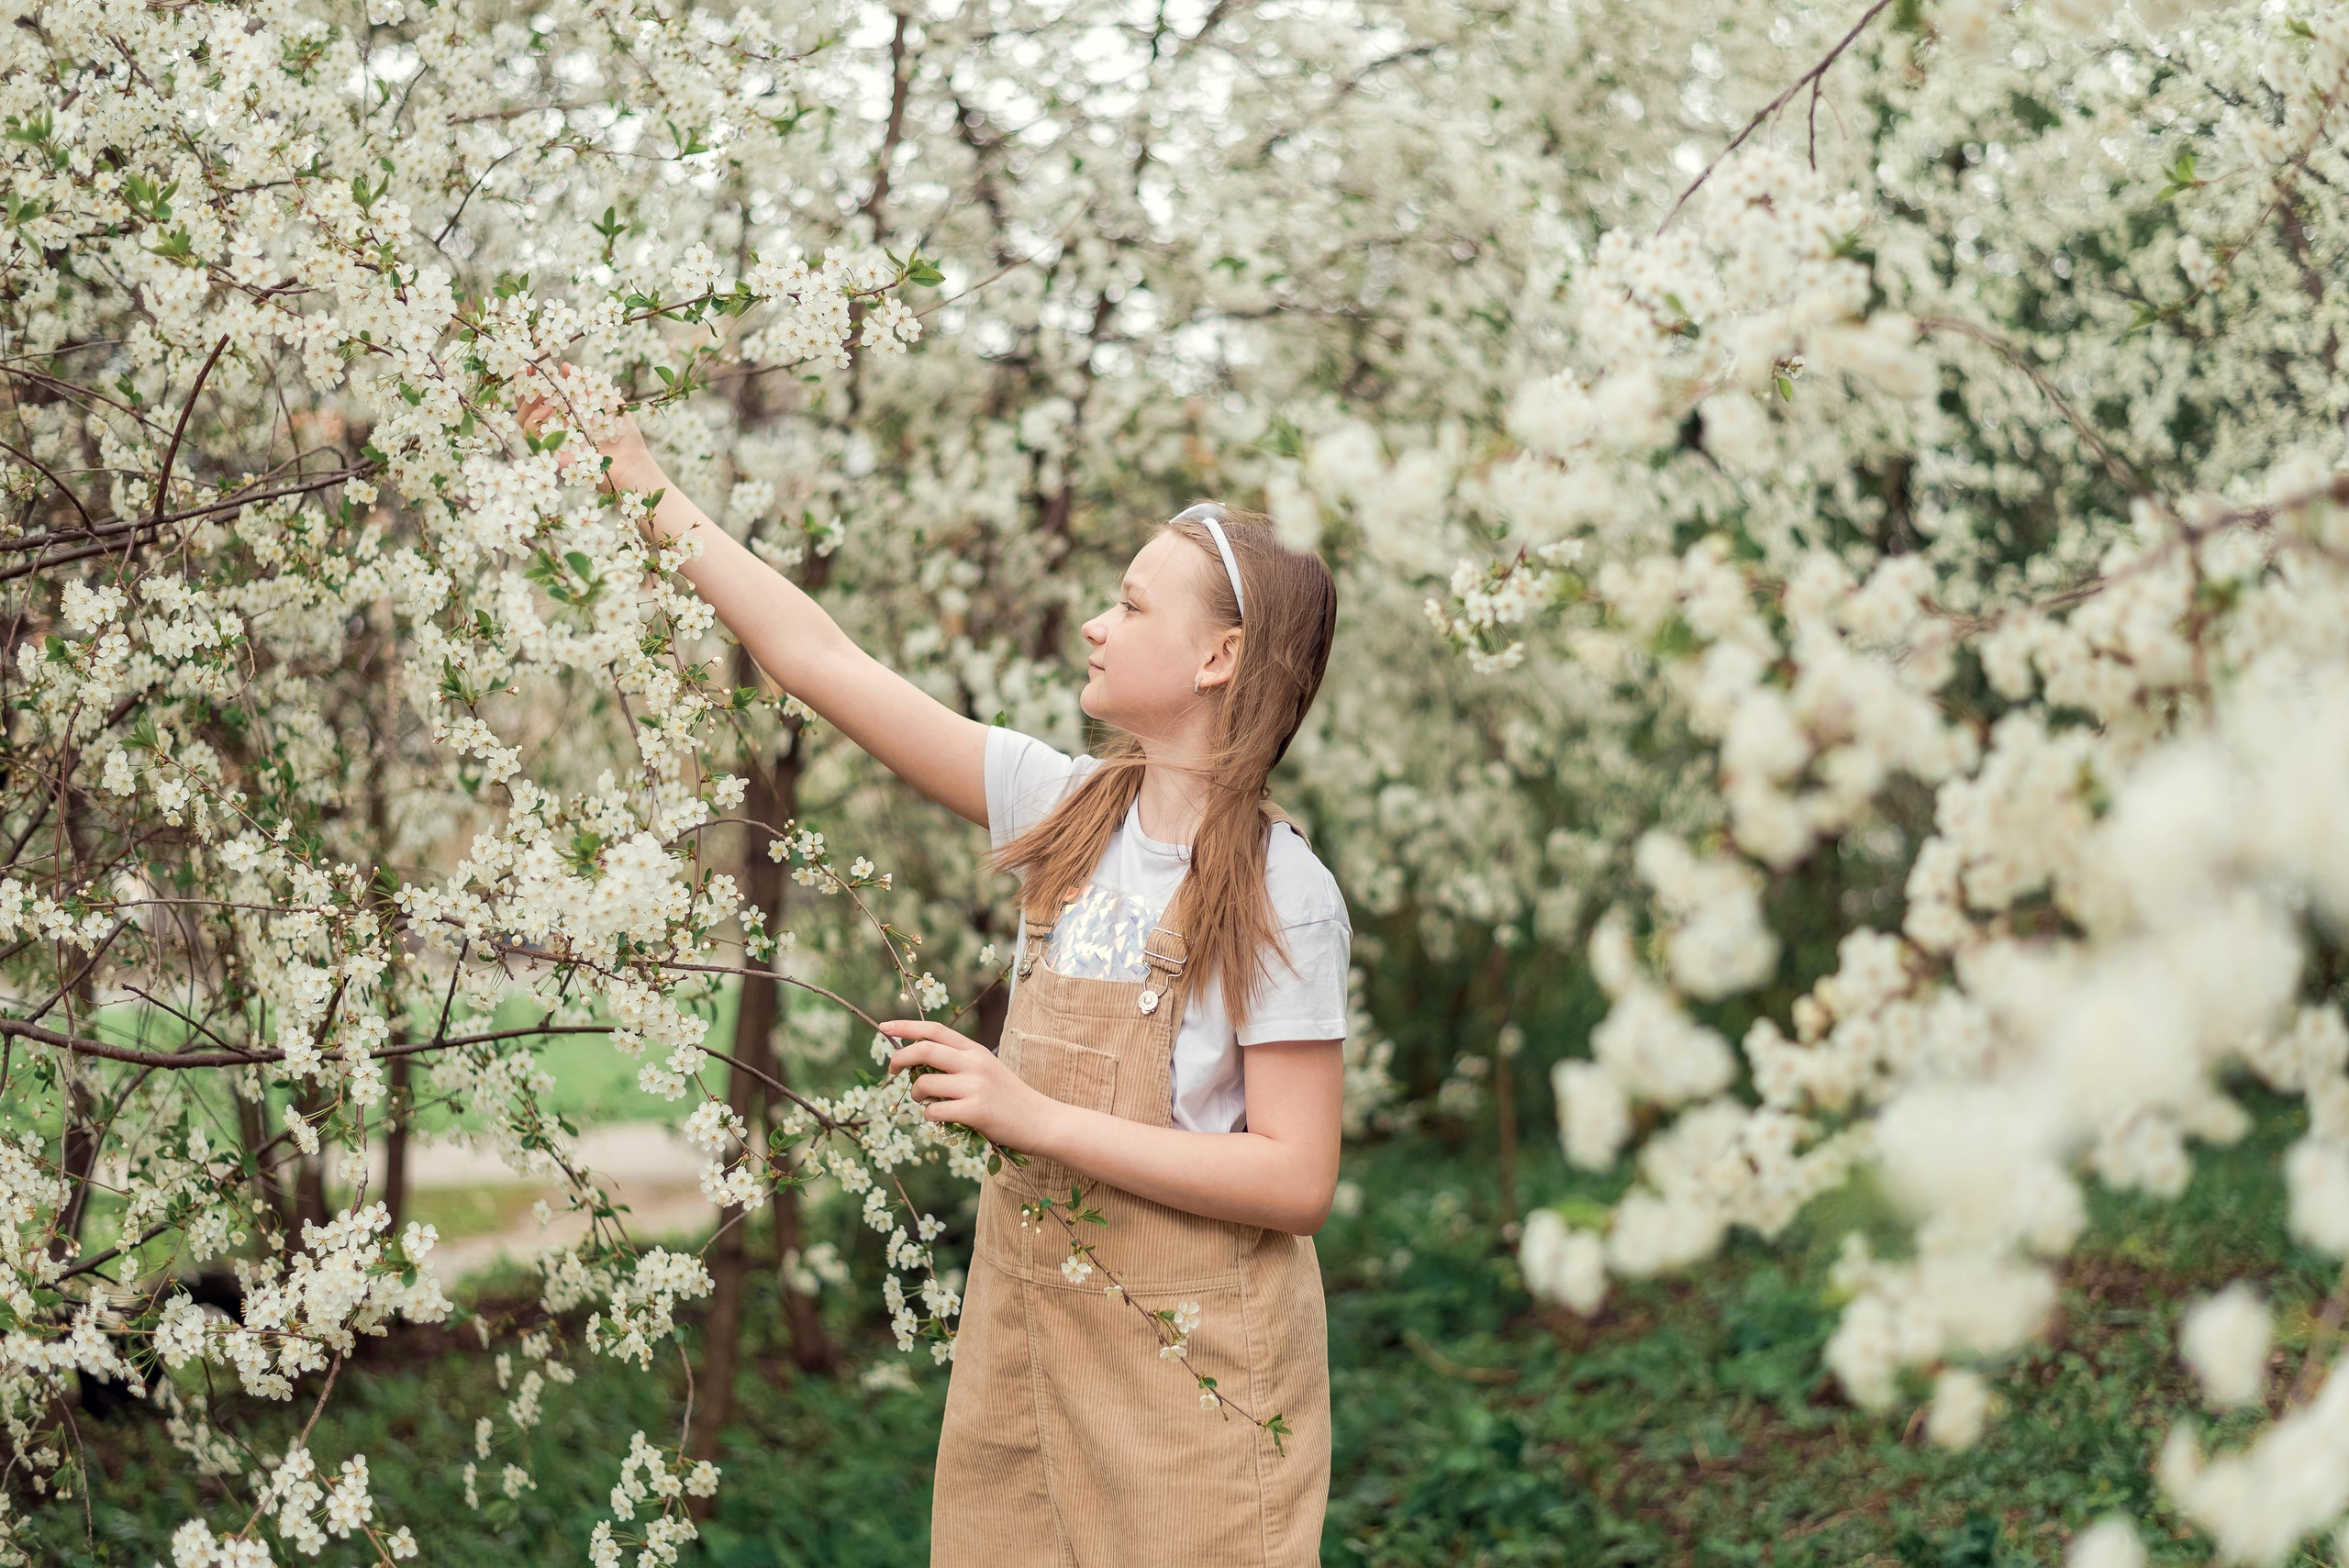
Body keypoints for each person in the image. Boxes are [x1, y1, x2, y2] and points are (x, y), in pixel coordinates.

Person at [518, 385, 1346, 1567]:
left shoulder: (1284, 891)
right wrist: (634, 476)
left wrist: (1032, 1117)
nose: (1096, 625)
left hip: (1192, 1397)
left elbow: (1296, 1177)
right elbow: (814, 657)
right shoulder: (1061, 808)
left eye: (1129, 604)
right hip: (1031, 1361)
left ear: (1220, 657)